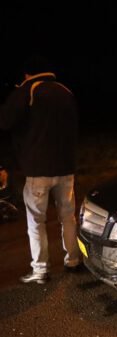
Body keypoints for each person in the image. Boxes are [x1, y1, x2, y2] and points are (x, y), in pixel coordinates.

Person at [0, 54, 81, 284]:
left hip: (38, 170)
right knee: (68, 217)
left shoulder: (28, 90)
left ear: (27, 73)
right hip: (65, 168)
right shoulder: (65, 91)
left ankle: (41, 270)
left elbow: (5, 121)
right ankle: (73, 260)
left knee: (36, 221)